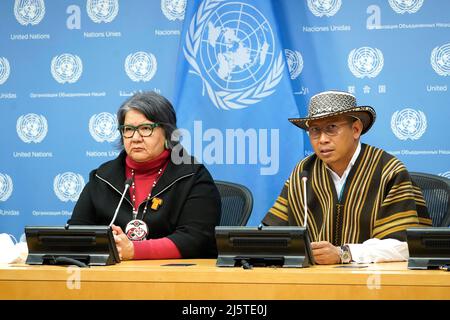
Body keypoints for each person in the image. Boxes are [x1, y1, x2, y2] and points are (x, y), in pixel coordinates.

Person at [262, 90, 432, 264]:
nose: (322, 140)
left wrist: (343, 253)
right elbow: (275, 236)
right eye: (314, 131)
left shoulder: (388, 171)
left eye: (331, 128)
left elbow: (404, 246)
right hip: (314, 282)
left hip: (374, 284)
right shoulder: (303, 172)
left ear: (356, 129)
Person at [69, 91, 221, 260]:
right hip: (111, 279)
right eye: (128, 129)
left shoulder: (192, 176)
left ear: (167, 132)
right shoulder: (102, 178)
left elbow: (196, 240)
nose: (135, 138)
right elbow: (77, 234)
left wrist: (135, 250)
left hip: (174, 280)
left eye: (145, 128)